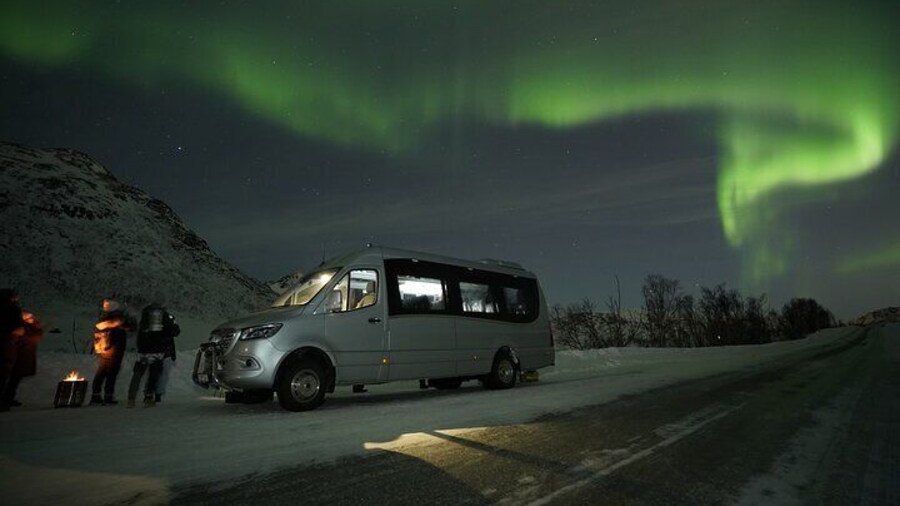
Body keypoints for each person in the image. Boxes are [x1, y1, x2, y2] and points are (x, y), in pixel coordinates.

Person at [128, 303, 179, 408]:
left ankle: (131, 398)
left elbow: (136, 331)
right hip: (157, 351)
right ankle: (149, 397)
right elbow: (173, 331)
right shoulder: (163, 316)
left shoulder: (144, 315)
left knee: (137, 374)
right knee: (153, 375)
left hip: (142, 351)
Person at [91, 298, 134, 405]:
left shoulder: (103, 319)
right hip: (115, 350)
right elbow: (131, 327)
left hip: (104, 350)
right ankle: (108, 397)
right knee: (112, 374)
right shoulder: (118, 320)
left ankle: (95, 396)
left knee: (101, 373)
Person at [2, 310, 44, 407]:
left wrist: (35, 327)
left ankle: (8, 398)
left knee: (14, 381)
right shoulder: (20, 329)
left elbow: (38, 335)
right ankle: (5, 399)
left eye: (32, 317)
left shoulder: (31, 328)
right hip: (17, 358)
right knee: (9, 380)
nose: (32, 319)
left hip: (24, 359)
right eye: (29, 318)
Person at [0, 289, 25, 413]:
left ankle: (7, 398)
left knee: (9, 371)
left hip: (10, 342)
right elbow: (16, 325)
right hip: (8, 342)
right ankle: (4, 400)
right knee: (5, 371)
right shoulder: (11, 309)